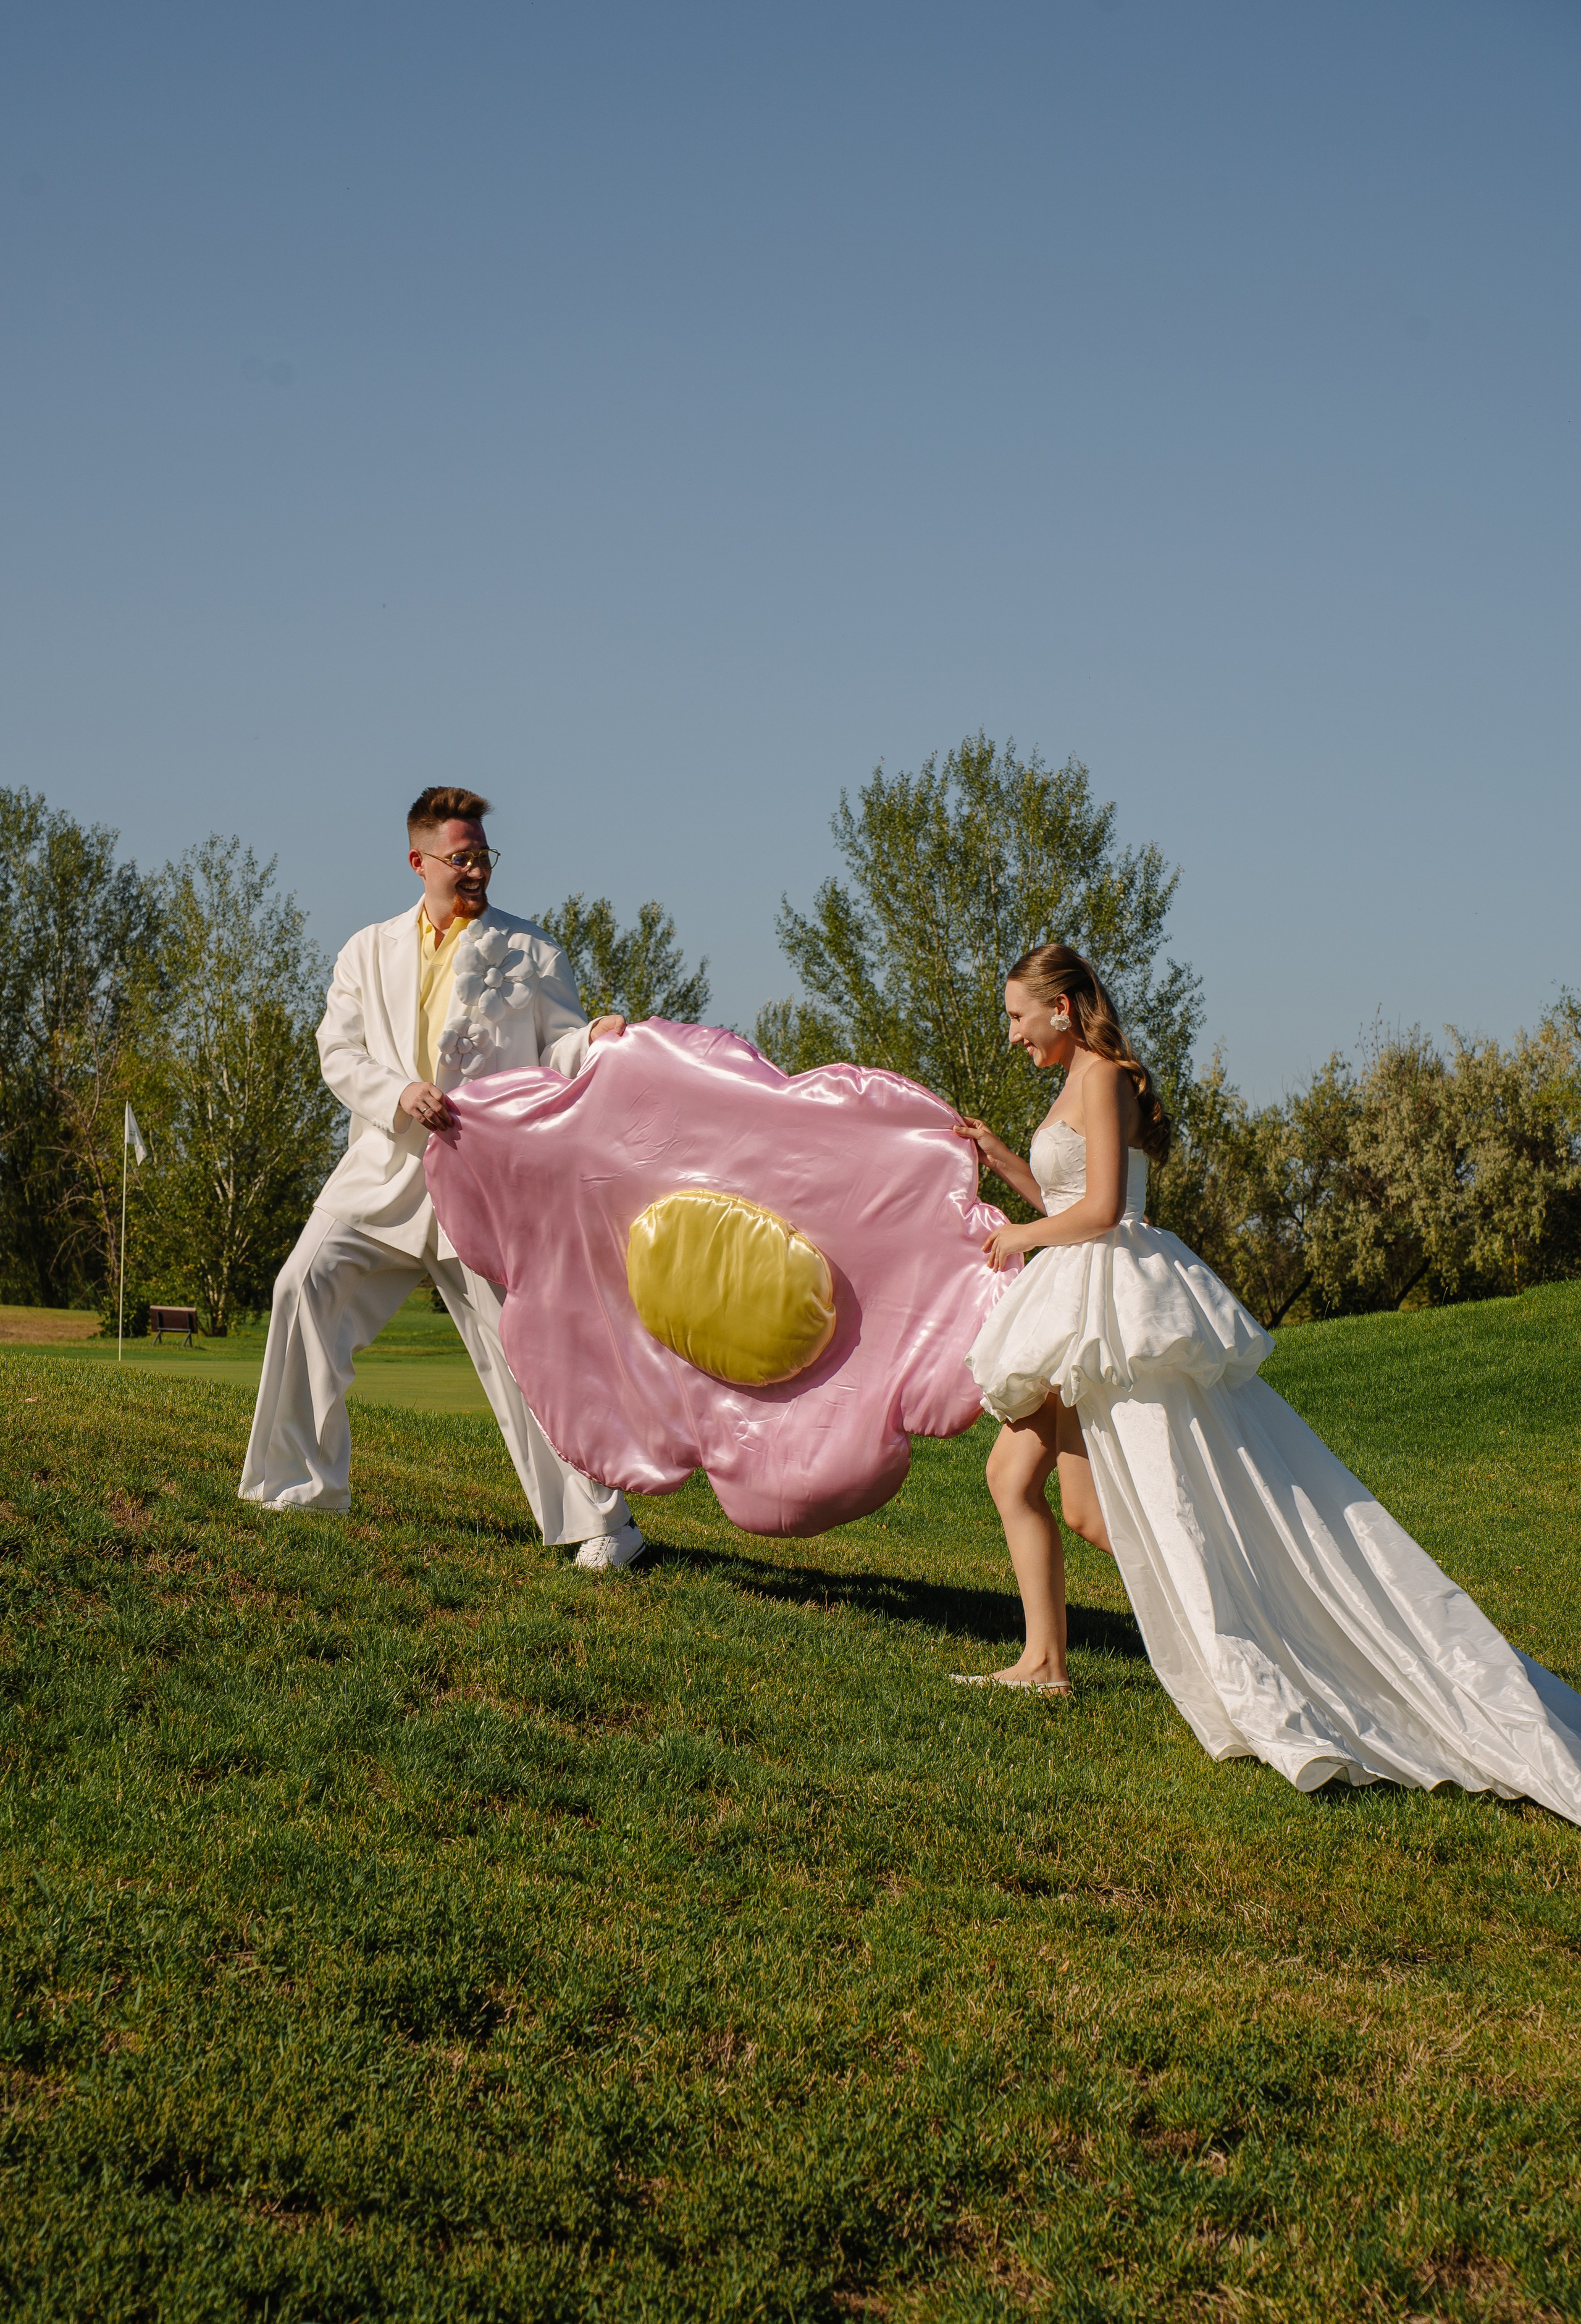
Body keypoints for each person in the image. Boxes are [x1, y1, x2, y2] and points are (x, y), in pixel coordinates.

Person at [954, 941, 1581, 1825]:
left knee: (1100, 1510)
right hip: (1076, 1298)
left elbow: (1101, 1212)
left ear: (1061, 1008)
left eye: (1018, 1017)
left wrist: (1019, 1238)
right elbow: (1067, 1198)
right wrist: (1002, 1164)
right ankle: (1043, 1663)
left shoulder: (1104, 1076)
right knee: (1017, 1479)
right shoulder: (1073, 1080)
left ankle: (1260, 1612)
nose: (1013, 1035)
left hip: (1115, 1300)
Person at [240, 785, 645, 1570]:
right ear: (418, 860)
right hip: (381, 1174)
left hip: (485, 1189)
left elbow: (557, 1053)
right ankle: (298, 1486)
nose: (475, 870)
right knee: (302, 1286)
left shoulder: (533, 951)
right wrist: (398, 1094)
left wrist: (592, 1037)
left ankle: (604, 1528)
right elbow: (339, 1052)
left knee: (526, 1352)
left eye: (483, 856)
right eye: (460, 857)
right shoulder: (365, 949)